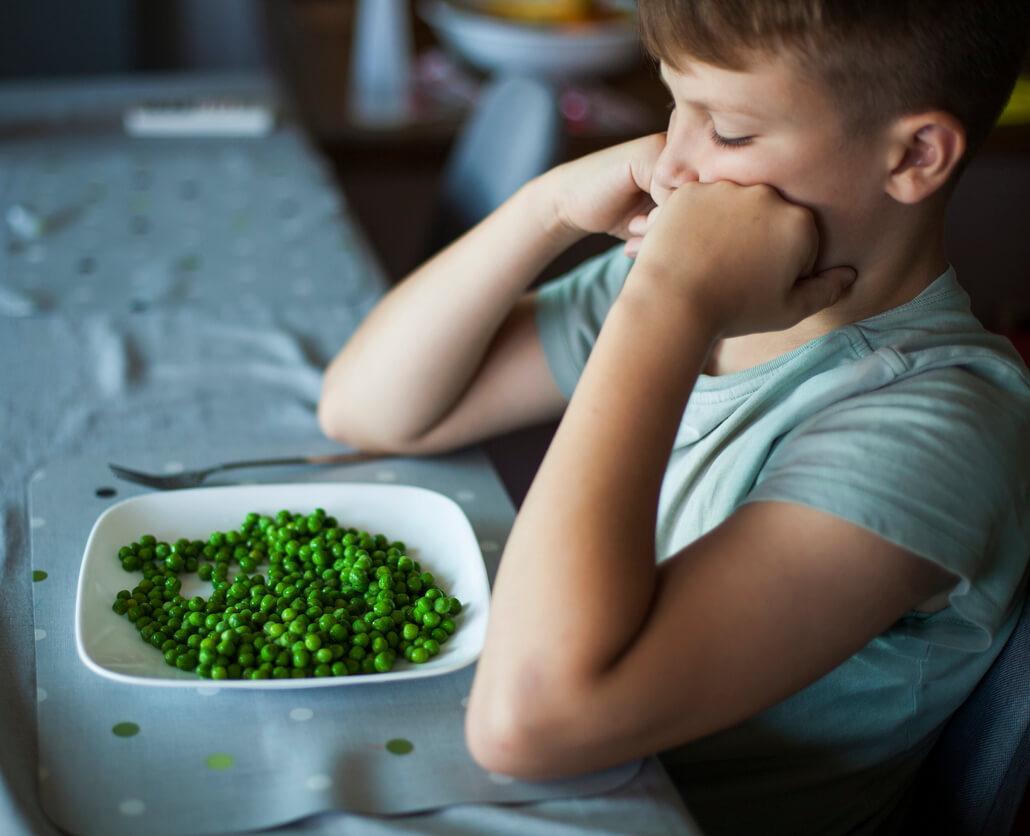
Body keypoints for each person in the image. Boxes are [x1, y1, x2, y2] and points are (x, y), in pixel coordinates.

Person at [317, 1, 1030, 833]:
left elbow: (531, 722)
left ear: (914, 155)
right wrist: (549, 207)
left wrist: (671, 300)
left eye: (728, 129)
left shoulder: (939, 424)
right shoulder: (686, 290)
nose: (673, 166)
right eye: (671, 105)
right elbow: (366, 409)